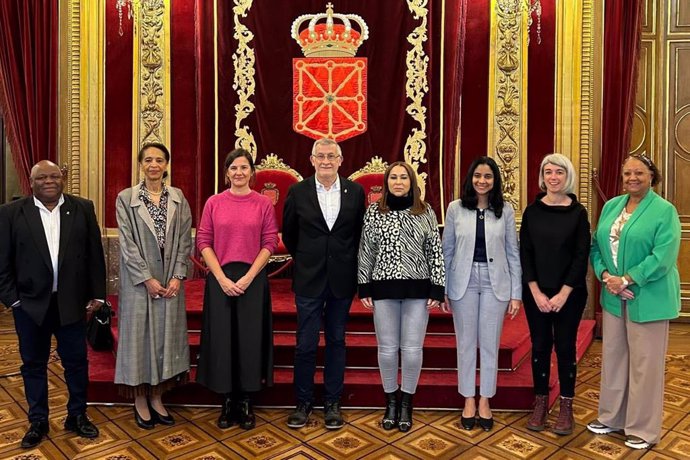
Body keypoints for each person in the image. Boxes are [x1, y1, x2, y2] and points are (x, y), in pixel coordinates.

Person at [0, 160, 105, 448]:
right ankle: (38, 421)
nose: (49, 181)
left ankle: (77, 415)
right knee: (33, 365)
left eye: (54, 176)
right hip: (30, 307)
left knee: (76, 363)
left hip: (72, 304)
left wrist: (98, 294)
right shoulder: (10, 213)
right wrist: (13, 300)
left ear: (63, 179)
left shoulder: (82, 208)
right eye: (41, 177)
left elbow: (95, 253)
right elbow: (2, 262)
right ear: (31, 182)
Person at [587, 153, 680, 450]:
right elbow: (596, 246)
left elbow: (663, 257)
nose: (631, 178)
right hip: (614, 296)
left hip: (648, 298)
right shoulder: (612, 206)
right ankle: (612, 417)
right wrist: (607, 277)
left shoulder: (664, 211)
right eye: (627, 173)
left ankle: (642, 429)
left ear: (652, 175)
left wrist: (628, 279)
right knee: (614, 359)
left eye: (638, 173)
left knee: (645, 365)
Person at [283, 138, 366, 430]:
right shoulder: (297, 191)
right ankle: (303, 403)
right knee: (305, 345)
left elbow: (358, 235)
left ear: (341, 160)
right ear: (312, 159)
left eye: (332, 156)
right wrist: (308, 259)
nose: (327, 160)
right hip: (308, 279)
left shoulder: (355, 192)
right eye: (321, 156)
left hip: (342, 280)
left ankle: (332, 403)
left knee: (336, 342)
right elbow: (290, 234)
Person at [357, 161, 445, 432]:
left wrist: (437, 287)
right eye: (393, 177)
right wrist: (364, 285)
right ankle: (390, 402)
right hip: (383, 288)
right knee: (386, 350)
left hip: (418, 290)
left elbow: (434, 249)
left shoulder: (425, 211)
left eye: (403, 178)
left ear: (411, 182)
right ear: (386, 183)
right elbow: (366, 249)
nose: (398, 182)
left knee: (411, 349)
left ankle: (407, 402)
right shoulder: (374, 211)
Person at [196, 149, 278, 430]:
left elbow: (269, 243)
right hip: (221, 276)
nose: (239, 172)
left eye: (244, 168)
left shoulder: (262, 204)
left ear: (251, 172)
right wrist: (220, 278)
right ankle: (227, 400)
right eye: (234, 168)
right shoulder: (214, 203)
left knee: (249, 339)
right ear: (227, 172)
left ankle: (245, 400)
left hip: (252, 277)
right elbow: (203, 241)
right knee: (223, 339)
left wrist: (248, 278)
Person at [114, 143, 192, 429]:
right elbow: (127, 243)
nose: (154, 164)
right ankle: (140, 399)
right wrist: (146, 278)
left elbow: (185, 240)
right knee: (139, 340)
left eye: (159, 159)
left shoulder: (178, 197)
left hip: (170, 282)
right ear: (140, 164)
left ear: (166, 164)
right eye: (148, 159)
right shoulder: (126, 198)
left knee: (165, 339)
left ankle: (158, 397)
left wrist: (176, 277)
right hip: (139, 283)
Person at [442, 156, 521, 432]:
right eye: (478, 176)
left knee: (489, 344)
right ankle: (468, 399)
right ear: (470, 178)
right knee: (465, 344)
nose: (482, 181)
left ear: (495, 180)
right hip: (462, 281)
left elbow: (513, 252)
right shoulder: (455, 209)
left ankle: (485, 399)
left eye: (488, 176)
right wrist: (444, 289)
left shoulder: (506, 210)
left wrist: (516, 293)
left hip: (494, 282)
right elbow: (447, 250)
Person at [520, 153, 590, 435]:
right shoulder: (532, 211)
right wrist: (534, 290)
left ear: (567, 176)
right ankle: (540, 403)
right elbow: (525, 253)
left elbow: (580, 255)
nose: (553, 177)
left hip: (569, 294)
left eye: (559, 172)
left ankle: (566, 407)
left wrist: (563, 294)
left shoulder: (578, 212)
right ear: (542, 176)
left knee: (564, 348)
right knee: (539, 347)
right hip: (536, 292)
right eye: (548, 172)